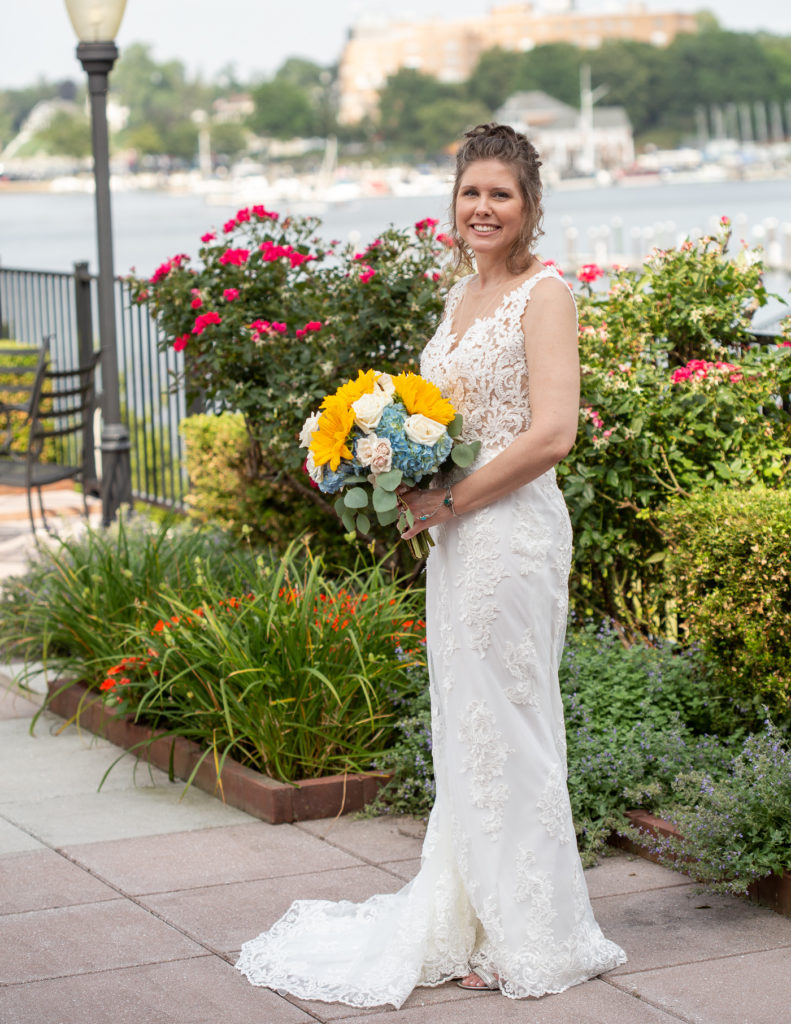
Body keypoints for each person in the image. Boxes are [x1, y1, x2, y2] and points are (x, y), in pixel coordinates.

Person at [235, 122, 626, 1007]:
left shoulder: (545, 295)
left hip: (510, 533)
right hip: (456, 536)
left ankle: (534, 934)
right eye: (469, 192)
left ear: (529, 208)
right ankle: (475, 916)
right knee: (468, 726)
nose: (482, 208)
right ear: (451, 203)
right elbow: (447, 421)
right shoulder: (458, 297)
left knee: (512, 727)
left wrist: (451, 499)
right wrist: (394, 465)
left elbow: (551, 433)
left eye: (500, 194)